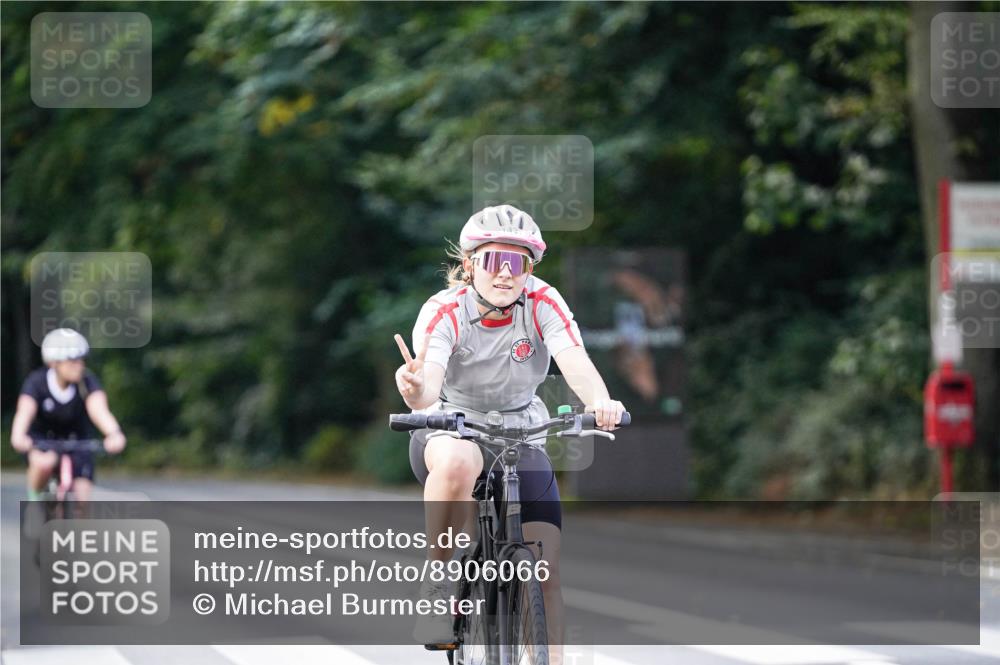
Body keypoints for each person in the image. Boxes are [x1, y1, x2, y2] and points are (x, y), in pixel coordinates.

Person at [394, 204, 626, 664]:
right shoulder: (444, 311)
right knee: (461, 461)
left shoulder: (543, 301)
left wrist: (600, 400)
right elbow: (428, 387)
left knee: (546, 572)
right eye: (493, 261)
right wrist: (416, 390)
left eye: (517, 263)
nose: (505, 274)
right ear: (469, 265)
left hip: (521, 433)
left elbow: (572, 358)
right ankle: (441, 583)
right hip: (451, 426)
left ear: (530, 268)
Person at [9, 328, 126, 501]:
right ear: (54, 363)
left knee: (82, 495)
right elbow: (24, 412)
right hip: (42, 439)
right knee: (43, 463)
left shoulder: (87, 382)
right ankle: (34, 503)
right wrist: (18, 435)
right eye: (72, 361)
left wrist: (114, 434)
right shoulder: (37, 382)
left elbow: (99, 410)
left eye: (81, 360)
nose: (79, 366)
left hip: (78, 441)